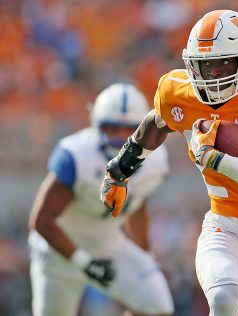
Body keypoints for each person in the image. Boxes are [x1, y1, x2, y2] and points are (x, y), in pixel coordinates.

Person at [100, 10, 238, 316]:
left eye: (223, 62)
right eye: (203, 65)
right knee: (223, 298)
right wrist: (119, 170)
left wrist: (215, 159)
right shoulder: (180, 92)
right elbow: (157, 124)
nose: (212, 74)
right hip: (226, 228)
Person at [28, 83, 174, 316]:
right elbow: (41, 221)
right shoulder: (77, 154)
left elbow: (137, 206)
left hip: (107, 245)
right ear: (97, 125)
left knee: (157, 306)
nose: (120, 138)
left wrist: (144, 256)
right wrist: (83, 262)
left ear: (142, 129)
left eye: (129, 129)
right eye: (112, 128)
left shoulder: (155, 161)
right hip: (59, 254)